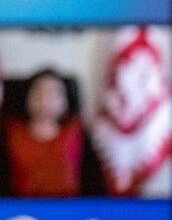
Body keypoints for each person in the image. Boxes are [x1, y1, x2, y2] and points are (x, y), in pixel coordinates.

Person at [5, 69, 107, 197]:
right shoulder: (9, 132)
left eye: (53, 94)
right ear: (27, 97)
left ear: (65, 101)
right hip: (19, 210)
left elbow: (94, 183)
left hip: (69, 208)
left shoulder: (78, 132)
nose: (44, 100)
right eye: (38, 92)